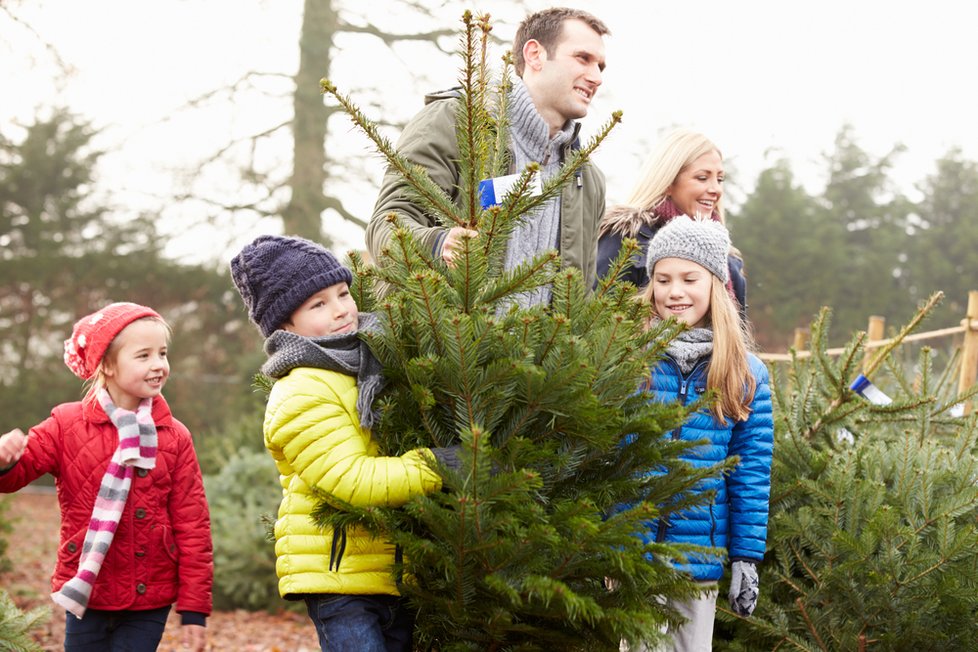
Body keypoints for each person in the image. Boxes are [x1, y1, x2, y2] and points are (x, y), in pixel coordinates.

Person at [230, 235, 458, 652]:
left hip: (391, 569)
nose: (340, 310)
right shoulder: (301, 390)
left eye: (342, 293)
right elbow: (351, 480)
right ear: (284, 325)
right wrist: (437, 465)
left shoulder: (368, 362)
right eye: (318, 304)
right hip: (339, 577)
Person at [0, 302, 212, 652]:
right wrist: (6, 460)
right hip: (88, 589)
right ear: (108, 365)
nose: (158, 364)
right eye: (143, 356)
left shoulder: (174, 436)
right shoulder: (66, 425)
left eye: (162, 353)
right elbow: (14, 477)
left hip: (149, 594)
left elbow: (193, 526)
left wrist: (194, 609)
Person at [367, 7, 610, 306]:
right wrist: (438, 245)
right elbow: (386, 225)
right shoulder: (455, 122)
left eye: (601, 66)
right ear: (534, 54)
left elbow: (581, 301)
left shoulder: (587, 180)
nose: (596, 77)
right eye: (583, 58)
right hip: (443, 346)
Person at [634, 216, 773, 651]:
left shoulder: (746, 374)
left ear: (715, 283)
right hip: (633, 560)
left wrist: (746, 558)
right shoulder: (630, 359)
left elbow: (751, 474)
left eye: (689, 278)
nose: (674, 291)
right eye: (663, 279)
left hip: (699, 565)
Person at [596, 129, 748, 318]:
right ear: (668, 182)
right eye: (702, 178)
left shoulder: (727, 260)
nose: (715, 189)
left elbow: (738, 335)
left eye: (719, 179)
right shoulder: (626, 240)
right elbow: (596, 320)